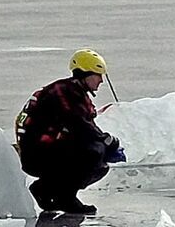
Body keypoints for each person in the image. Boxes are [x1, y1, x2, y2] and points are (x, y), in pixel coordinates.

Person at [15, 49, 125, 215]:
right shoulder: (64, 92)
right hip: (37, 152)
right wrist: (107, 141)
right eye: (98, 75)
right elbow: (79, 124)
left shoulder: (74, 92)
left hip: (46, 150)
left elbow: (85, 125)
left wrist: (106, 142)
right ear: (85, 74)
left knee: (100, 160)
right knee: (93, 152)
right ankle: (66, 198)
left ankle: (44, 189)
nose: (101, 81)